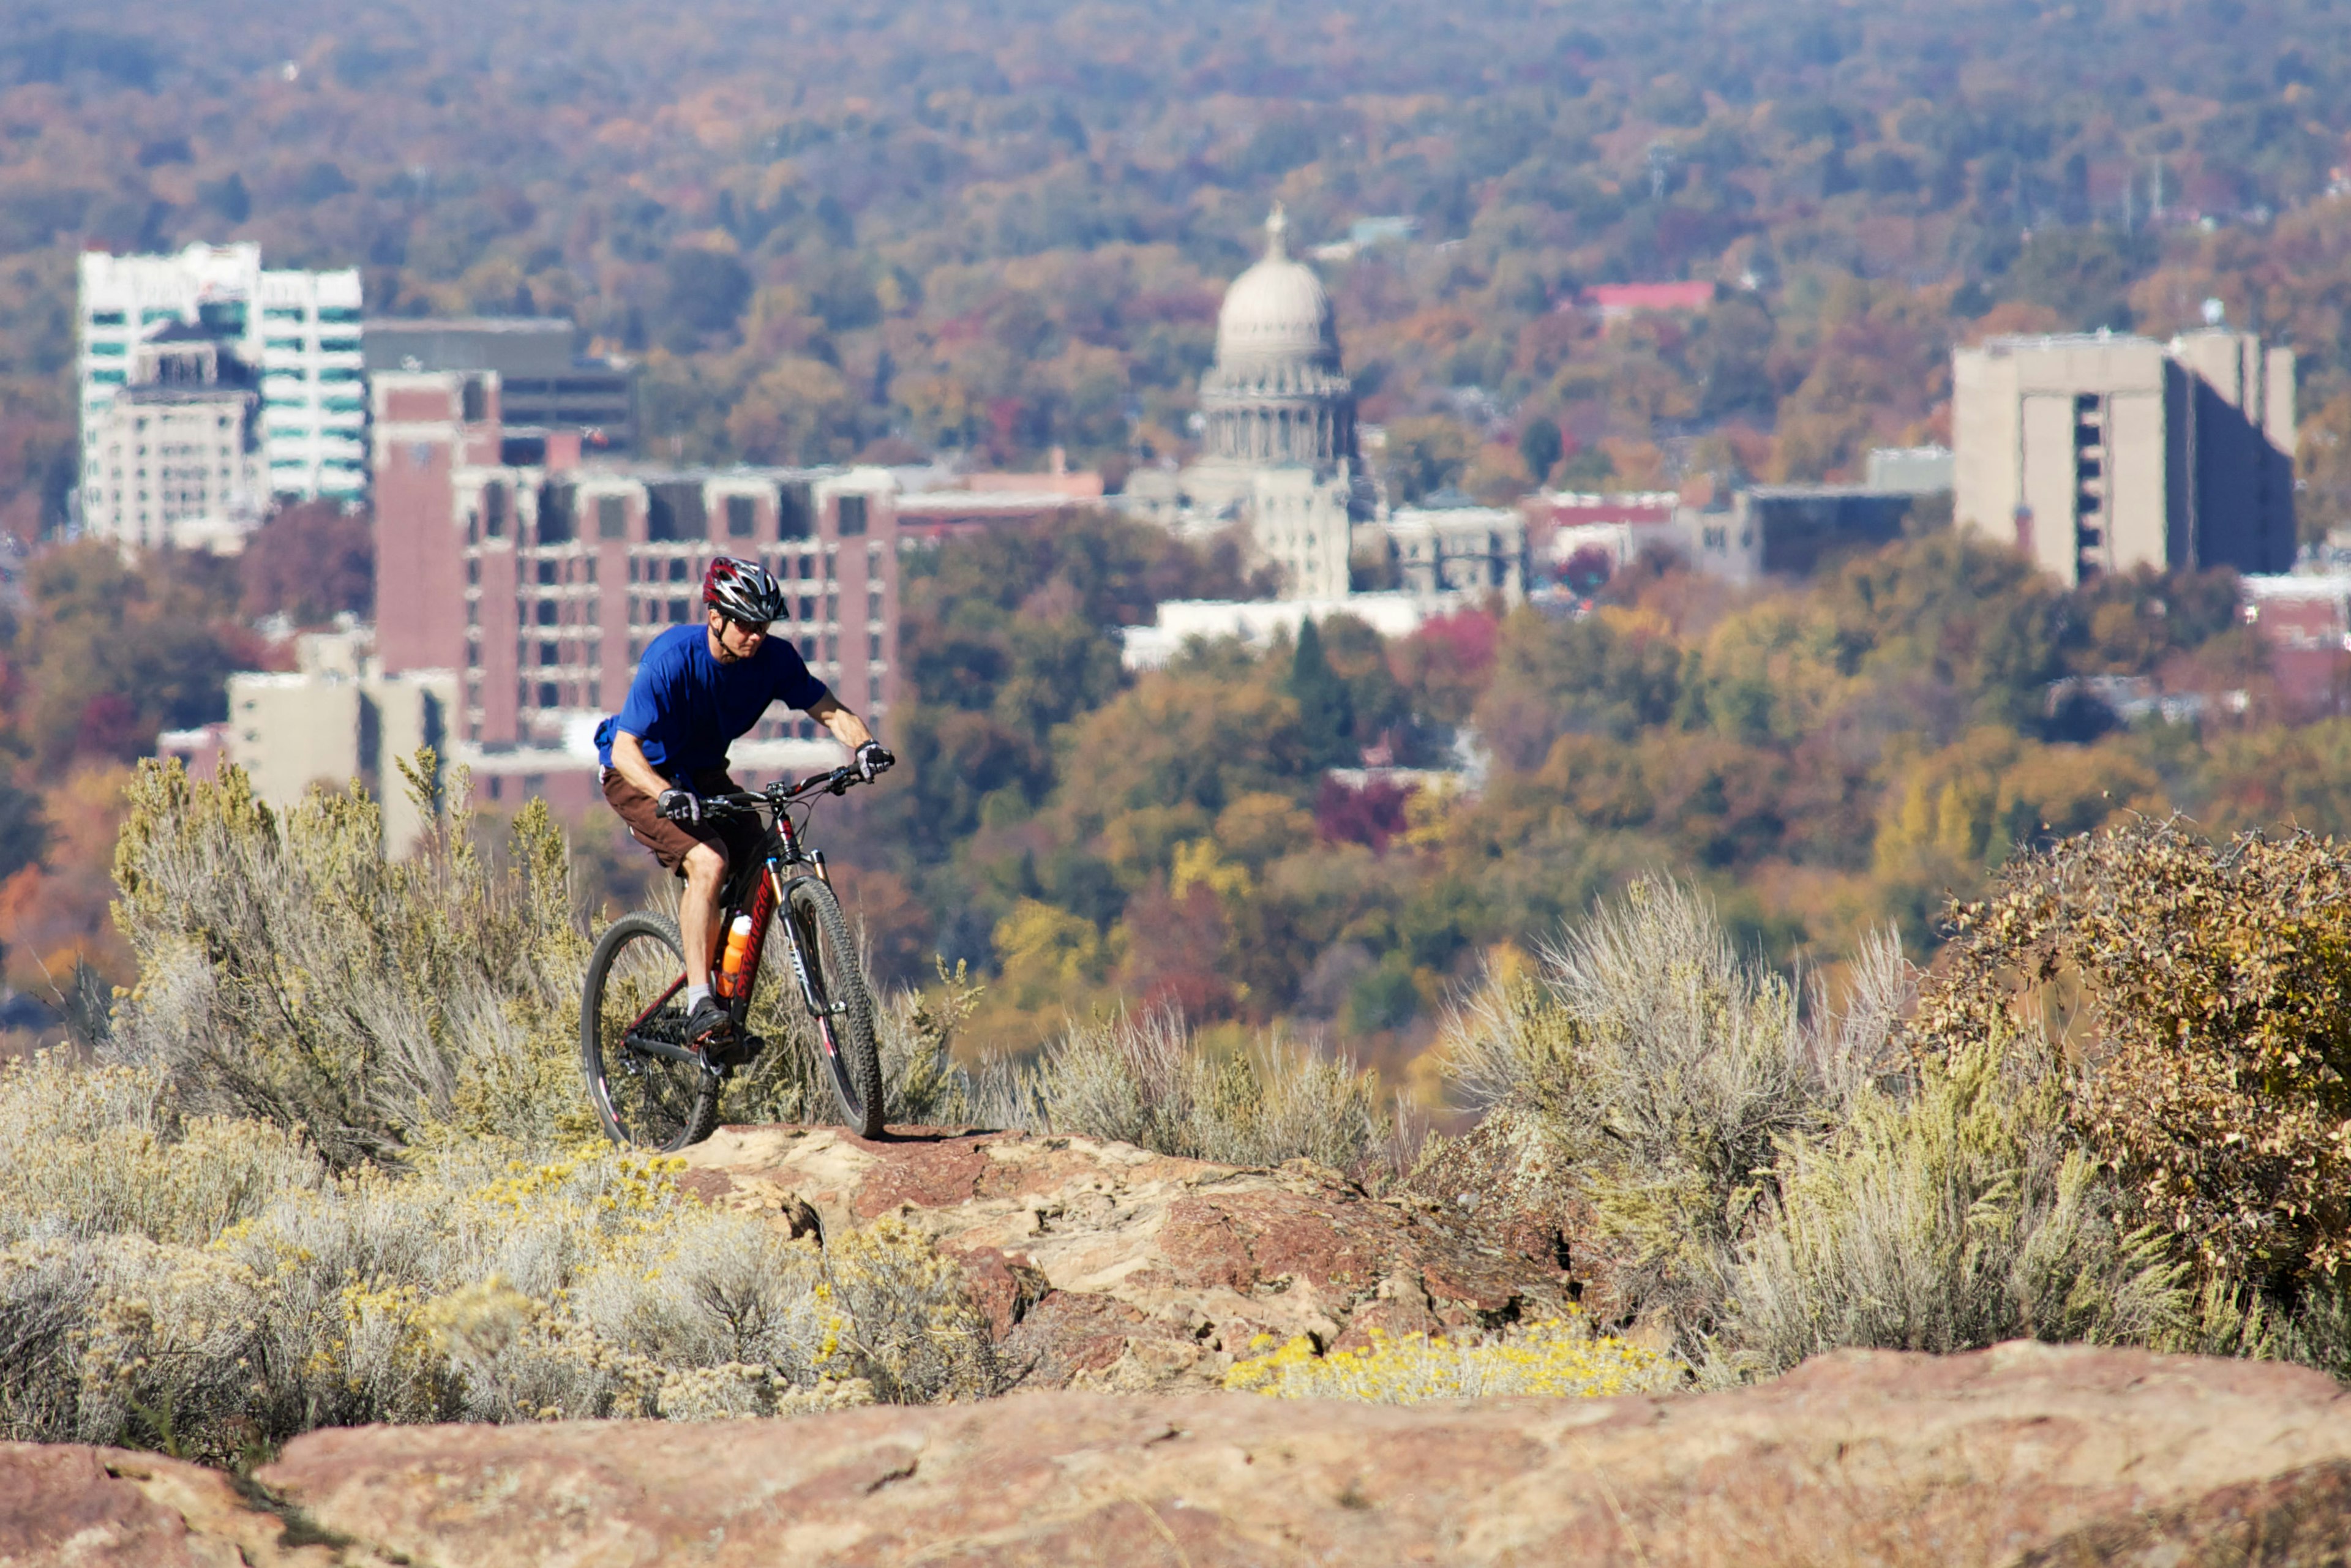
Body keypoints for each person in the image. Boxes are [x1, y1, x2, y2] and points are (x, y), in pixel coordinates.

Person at [595, 556, 891, 1057]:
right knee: (708, 860)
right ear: (716, 617)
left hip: (705, 773)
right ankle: (698, 1002)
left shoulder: (774, 660)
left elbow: (831, 710)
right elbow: (625, 749)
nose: (756, 636)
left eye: (764, 625)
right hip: (642, 773)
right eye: (747, 625)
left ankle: (726, 995)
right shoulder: (670, 658)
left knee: (765, 857)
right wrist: (664, 793)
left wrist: (863, 746)